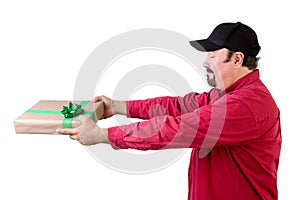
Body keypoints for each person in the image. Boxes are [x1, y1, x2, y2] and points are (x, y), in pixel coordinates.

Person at [56, 22, 282, 200]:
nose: (205, 63)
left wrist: (102, 135)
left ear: (237, 59)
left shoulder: (246, 105)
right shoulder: (227, 95)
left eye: (212, 56)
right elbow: (178, 106)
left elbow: (178, 129)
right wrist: (117, 106)